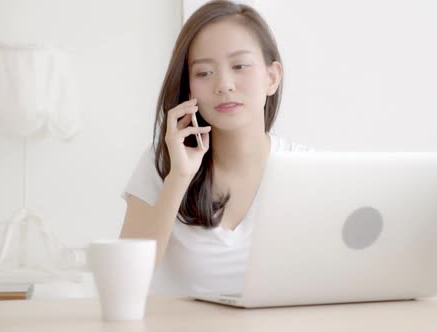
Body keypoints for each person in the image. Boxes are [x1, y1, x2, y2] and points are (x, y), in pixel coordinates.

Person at [119, 0, 312, 296]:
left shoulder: (308, 170)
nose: (224, 84)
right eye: (204, 73)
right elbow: (125, 282)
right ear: (188, 87)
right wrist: (178, 179)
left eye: (240, 66)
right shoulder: (163, 163)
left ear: (271, 77)